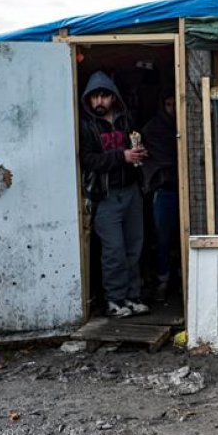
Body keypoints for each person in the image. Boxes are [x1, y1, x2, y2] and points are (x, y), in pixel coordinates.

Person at [79, 71, 150, 318]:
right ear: (87, 100)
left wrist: (140, 153)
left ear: (113, 97)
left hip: (131, 191)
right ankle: (114, 300)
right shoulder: (86, 126)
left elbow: (138, 148)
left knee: (135, 247)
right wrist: (122, 157)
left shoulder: (127, 119)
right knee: (114, 251)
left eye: (104, 96)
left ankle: (132, 297)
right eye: (94, 97)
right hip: (105, 195)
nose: (99, 102)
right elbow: (88, 160)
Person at [141, 92, 179, 303]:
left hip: (184, 190)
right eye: (168, 104)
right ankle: (162, 280)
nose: (172, 108)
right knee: (162, 238)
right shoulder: (152, 130)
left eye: (175, 103)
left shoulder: (188, 123)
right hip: (163, 190)